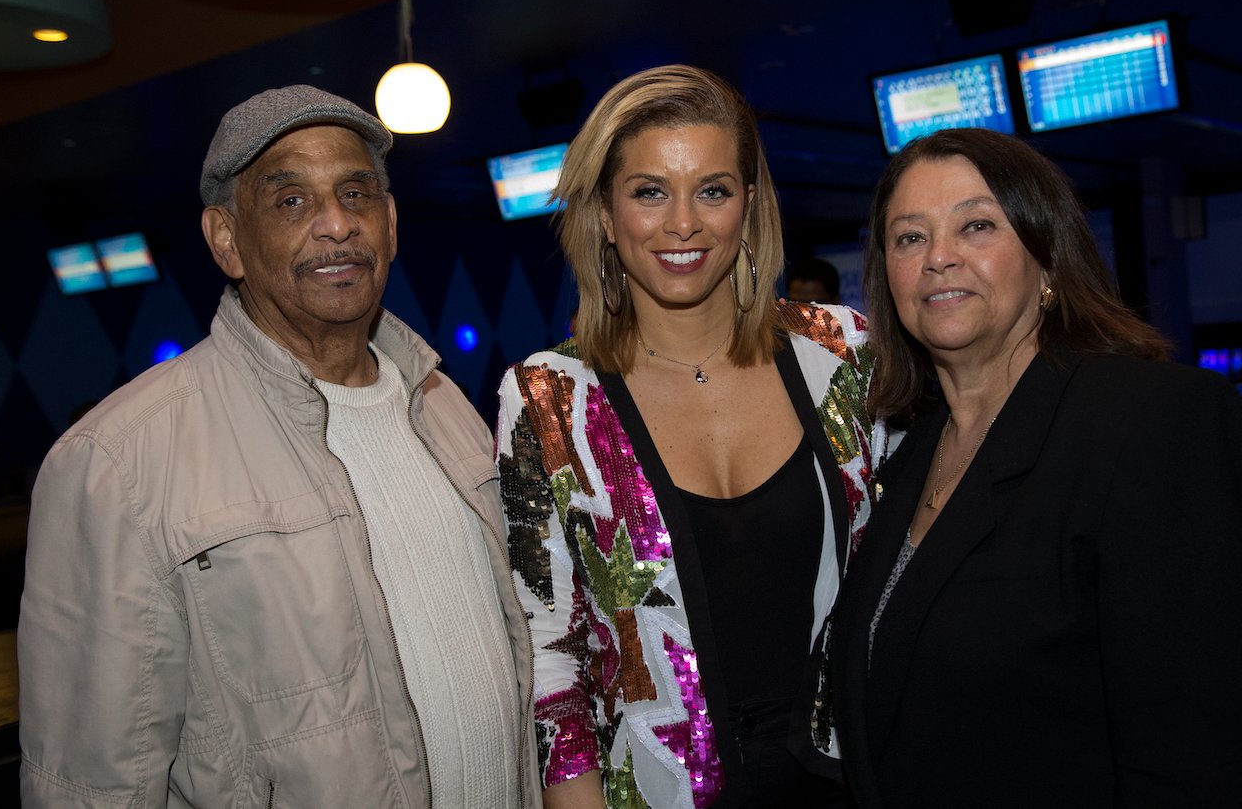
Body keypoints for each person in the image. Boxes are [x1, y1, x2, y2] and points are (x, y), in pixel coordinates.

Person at [18, 85, 539, 807]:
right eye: (290, 201)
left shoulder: (443, 404)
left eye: (355, 193)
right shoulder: (117, 462)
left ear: (388, 223)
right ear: (226, 239)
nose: (335, 225)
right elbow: (92, 783)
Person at [495, 64, 889, 808]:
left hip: (848, 781)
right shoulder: (548, 399)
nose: (683, 223)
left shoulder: (842, 353)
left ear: (749, 204)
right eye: (649, 191)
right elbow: (552, 666)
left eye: (712, 189)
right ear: (607, 215)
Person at [830, 127, 1242, 807]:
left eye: (977, 226)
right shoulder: (904, 456)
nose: (939, 257)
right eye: (910, 237)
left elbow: (1198, 750)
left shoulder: (1152, 423)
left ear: (1047, 260)